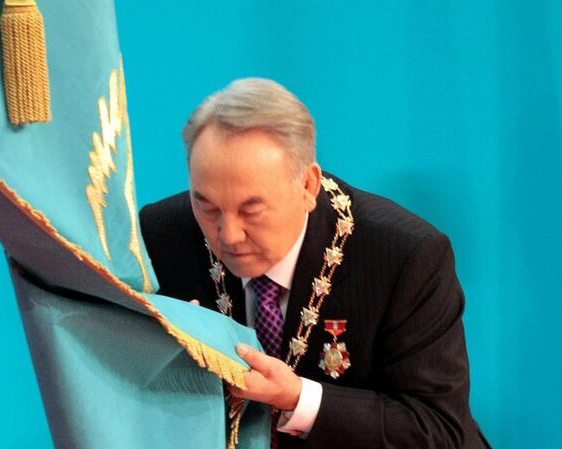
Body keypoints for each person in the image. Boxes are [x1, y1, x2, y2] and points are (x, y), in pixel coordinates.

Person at [139, 78, 490, 448]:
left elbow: (437, 429)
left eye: (251, 210)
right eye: (207, 207)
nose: (229, 235)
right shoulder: (159, 234)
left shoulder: (405, 255)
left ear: (308, 186)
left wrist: (298, 398)